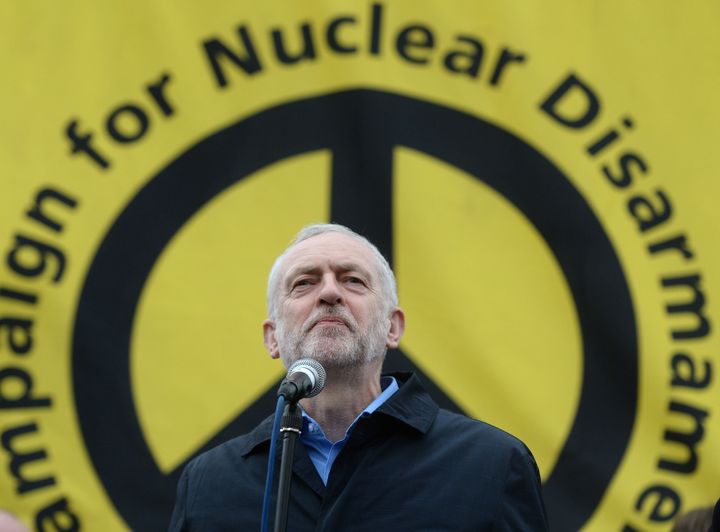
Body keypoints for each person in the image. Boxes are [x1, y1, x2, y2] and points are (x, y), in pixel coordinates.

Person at [169, 223, 548, 531]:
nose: (330, 292)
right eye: (304, 282)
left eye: (352, 280)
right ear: (272, 337)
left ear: (392, 328)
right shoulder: (209, 483)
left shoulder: (491, 465)